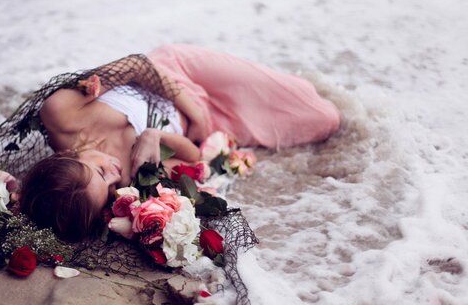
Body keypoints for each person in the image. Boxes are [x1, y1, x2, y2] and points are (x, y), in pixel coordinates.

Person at [20, 44, 340, 241]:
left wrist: (195, 114)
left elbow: (136, 65)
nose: (114, 175)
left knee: (308, 101)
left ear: (69, 156)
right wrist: (154, 136)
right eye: (106, 187)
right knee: (324, 120)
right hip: (213, 123)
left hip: (181, 73)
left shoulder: (61, 114)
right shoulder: (128, 184)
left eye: (101, 171)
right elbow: (192, 157)